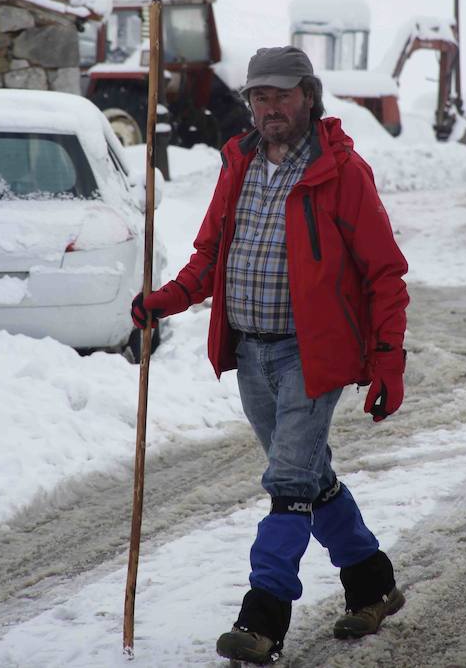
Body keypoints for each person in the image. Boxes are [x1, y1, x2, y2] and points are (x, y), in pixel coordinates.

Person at [131, 45, 409, 666]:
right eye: (260, 95)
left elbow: (385, 272)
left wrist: (388, 359)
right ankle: (374, 585)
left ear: (308, 96)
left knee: (287, 483)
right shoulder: (239, 163)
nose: (270, 106)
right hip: (251, 355)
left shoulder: (342, 172)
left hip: (312, 356)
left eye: (282, 94)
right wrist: (164, 300)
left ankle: (263, 616)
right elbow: (211, 254)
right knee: (312, 478)